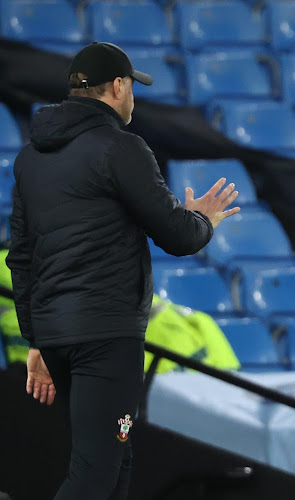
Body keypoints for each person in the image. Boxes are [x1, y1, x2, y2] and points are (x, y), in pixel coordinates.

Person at [6, 42, 240, 500]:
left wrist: (37, 339)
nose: (133, 96)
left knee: (116, 459)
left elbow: (22, 257)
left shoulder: (30, 159)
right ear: (118, 86)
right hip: (105, 334)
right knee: (94, 472)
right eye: (131, 86)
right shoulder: (122, 148)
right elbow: (178, 236)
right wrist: (204, 220)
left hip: (58, 334)